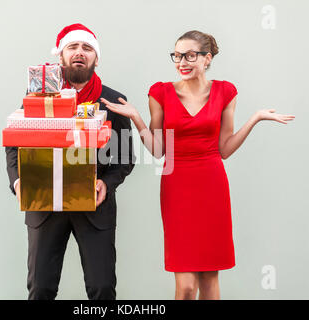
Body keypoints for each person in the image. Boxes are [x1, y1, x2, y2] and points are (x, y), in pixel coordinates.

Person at [101, 30, 295, 300]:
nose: (182, 61)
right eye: (178, 55)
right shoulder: (160, 93)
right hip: (177, 185)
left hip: (212, 184)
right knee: (187, 286)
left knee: (210, 281)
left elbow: (224, 149)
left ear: (208, 58)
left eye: (190, 55)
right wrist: (136, 117)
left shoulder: (226, 92)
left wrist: (255, 119)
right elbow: (158, 151)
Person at [5, 23, 135, 300]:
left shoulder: (112, 101)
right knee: (41, 289)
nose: (79, 53)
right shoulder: (36, 97)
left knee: (101, 288)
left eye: (87, 48)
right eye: (72, 47)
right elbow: (14, 145)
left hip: (94, 207)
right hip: (44, 205)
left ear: (96, 58)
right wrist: (18, 182)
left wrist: (106, 183)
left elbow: (125, 156)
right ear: (60, 56)